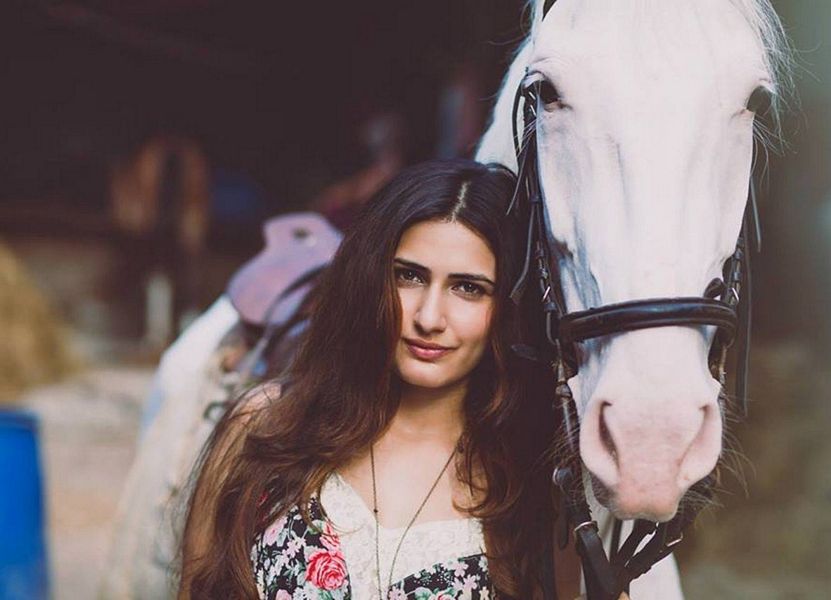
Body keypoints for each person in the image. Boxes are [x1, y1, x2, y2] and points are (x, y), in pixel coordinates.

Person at [178, 159, 559, 599]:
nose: (429, 318)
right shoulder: (264, 427)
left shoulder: (527, 485)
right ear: (370, 280)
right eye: (409, 276)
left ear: (508, 307)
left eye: (468, 288)